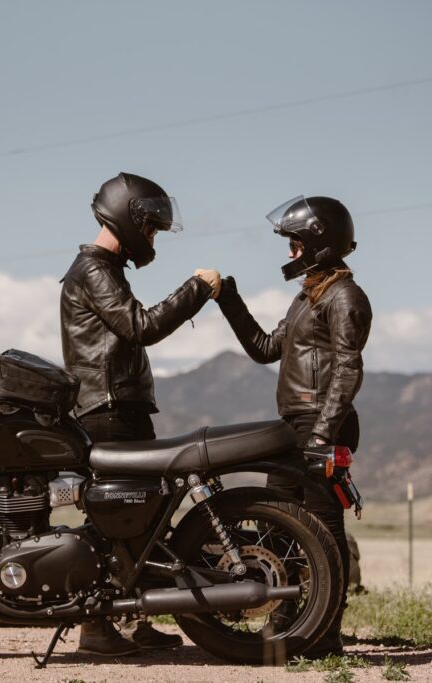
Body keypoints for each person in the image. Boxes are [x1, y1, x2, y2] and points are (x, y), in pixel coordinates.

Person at [60, 171, 221, 656]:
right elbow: (139, 326)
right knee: (117, 522)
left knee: (142, 521)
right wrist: (195, 289)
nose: (151, 237)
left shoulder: (106, 269)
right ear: (127, 216)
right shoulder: (93, 269)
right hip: (106, 410)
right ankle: (95, 628)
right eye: (149, 227)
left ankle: (134, 622)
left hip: (120, 405)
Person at [215, 195, 372, 658]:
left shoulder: (345, 296)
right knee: (281, 527)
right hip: (294, 426)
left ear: (319, 242)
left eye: (296, 243)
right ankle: (290, 618)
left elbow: (348, 369)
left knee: (324, 527)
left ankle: (326, 633)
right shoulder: (309, 296)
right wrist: (229, 300)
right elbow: (265, 347)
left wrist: (323, 435)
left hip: (320, 427)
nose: (290, 253)